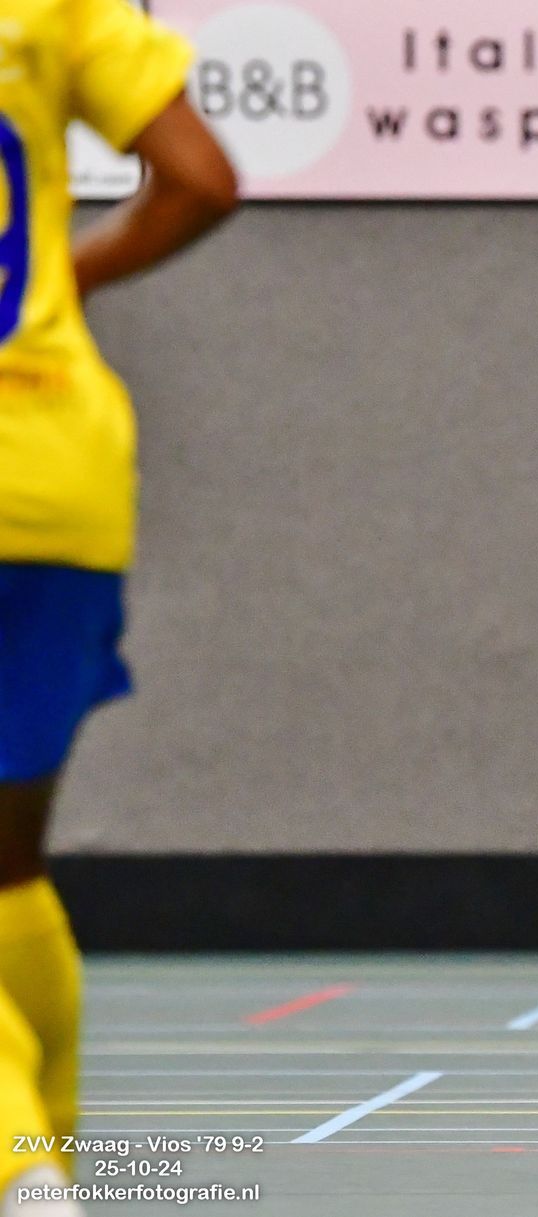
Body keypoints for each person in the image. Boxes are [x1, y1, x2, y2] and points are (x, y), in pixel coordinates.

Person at [0, 2, 237, 1212]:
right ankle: (50, 1158)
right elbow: (200, 177)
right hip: (57, 465)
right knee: (8, 865)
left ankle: (23, 1166)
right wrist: (67, 275)